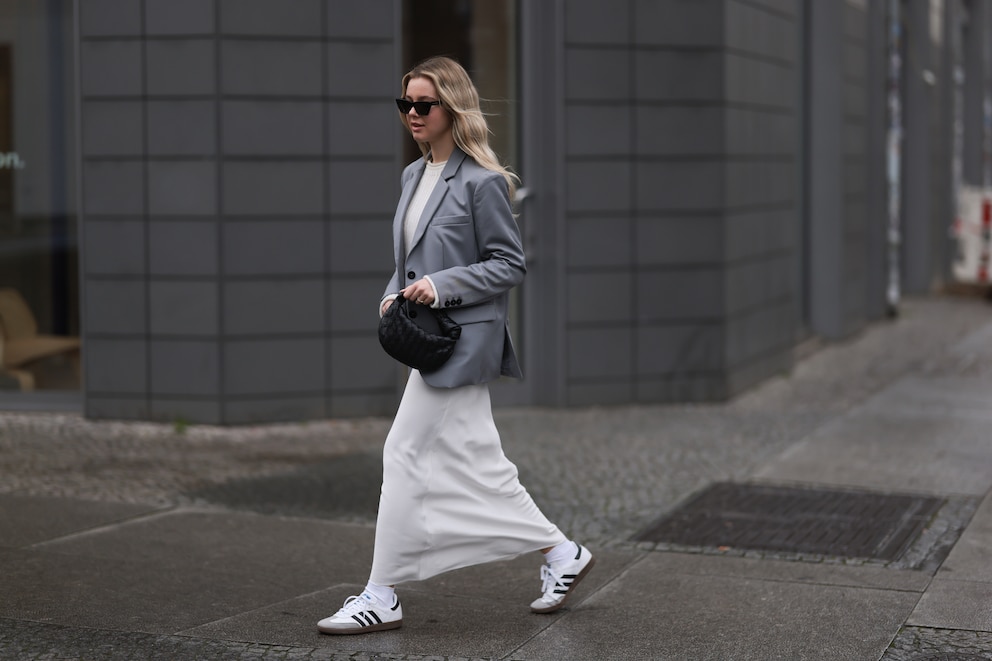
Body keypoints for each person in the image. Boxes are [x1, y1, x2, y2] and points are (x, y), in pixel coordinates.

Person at [317, 56, 594, 635]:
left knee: (402, 452)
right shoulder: (413, 176)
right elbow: (409, 259)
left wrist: (440, 287)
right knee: (482, 466)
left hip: (460, 346)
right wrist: (394, 293)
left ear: (452, 108)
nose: (412, 115)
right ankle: (561, 552)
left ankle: (381, 593)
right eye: (406, 105)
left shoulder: (482, 182)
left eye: (424, 105)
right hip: (431, 342)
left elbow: (507, 264)